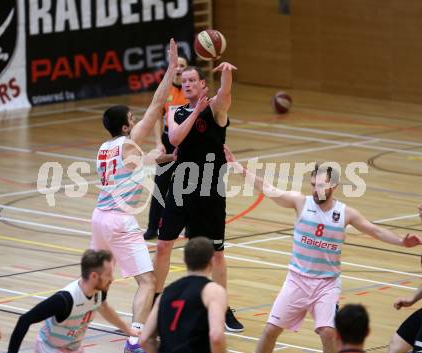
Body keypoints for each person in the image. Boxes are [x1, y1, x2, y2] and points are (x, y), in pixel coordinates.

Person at [223, 145, 422, 353]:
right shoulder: (301, 202)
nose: (315, 189)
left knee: (328, 332)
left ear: (333, 185)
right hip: (297, 279)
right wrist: (238, 168)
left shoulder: (345, 213)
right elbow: (268, 189)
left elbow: (375, 231)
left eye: (320, 185)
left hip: (326, 284)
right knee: (270, 330)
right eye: (313, 185)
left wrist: (402, 242)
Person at [90, 38, 178, 353]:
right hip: (119, 221)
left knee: (95, 281)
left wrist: (155, 158)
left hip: (99, 218)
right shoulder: (129, 142)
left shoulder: (105, 148)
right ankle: (134, 340)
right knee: (148, 282)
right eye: (131, 118)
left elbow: (132, 164)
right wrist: (170, 70)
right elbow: (157, 105)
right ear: (126, 126)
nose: (134, 119)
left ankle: (75, 320)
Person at [153, 62, 244, 332]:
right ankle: (155, 301)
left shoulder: (216, 109)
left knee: (216, 255)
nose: (188, 83)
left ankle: (222, 307)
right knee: (162, 247)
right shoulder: (174, 111)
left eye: (193, 79)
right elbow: (178, 138)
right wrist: (195, 111)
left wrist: (226, 72)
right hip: (180, 187)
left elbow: (225, 94)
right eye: (185, 80)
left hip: (210, 190)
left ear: (204, 84)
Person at [8, 249, 139, 353]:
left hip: (73, 348)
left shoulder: (99, 292)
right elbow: (24, 320)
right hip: (49, 348)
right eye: (109, 274)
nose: (112, 279)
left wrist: (127, 330)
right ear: (94, 276)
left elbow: (105, 308)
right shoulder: (65, 300)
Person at [140, 237, 227, 353]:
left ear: (184, 260)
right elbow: (216, 337)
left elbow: (145, 340)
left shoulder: (165, 293)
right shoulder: (213, 291)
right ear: (211, 261)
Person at [144, 52, 189, 240]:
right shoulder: (166, 90)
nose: (179, 68)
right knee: (160, 186)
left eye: (183, 66)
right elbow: (155, 118)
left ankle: (190, 226)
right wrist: (158, 142)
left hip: (187, 143)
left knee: (188, 186)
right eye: (176, 65)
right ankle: (153, 227)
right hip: (168, 142)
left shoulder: (191, 90)